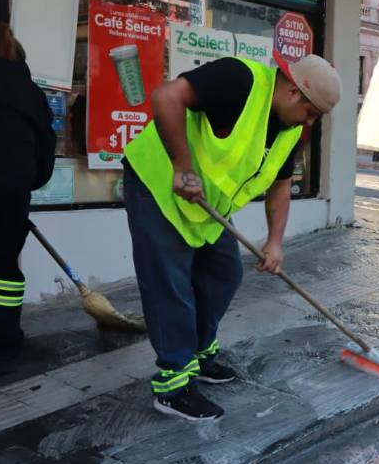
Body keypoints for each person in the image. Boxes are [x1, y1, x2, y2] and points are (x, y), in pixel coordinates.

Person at [122, 53, 341, 420]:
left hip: (207, 205)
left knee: (224, 273)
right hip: (157, 182)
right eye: (311, 112)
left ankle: (199, 352)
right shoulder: (239, 79)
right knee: (170, 284)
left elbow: (280, 186)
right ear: (293, 91)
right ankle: (173, 385)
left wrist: (274, 242)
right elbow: (165, 97)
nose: (310, 122)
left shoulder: (289, 130)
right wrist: (182, 167)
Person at [0, 22, 56, 377]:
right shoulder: (30, 92)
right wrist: (24, 183)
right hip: (8, 188)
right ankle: (3, 348)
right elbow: (45, 151)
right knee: (0, 269)